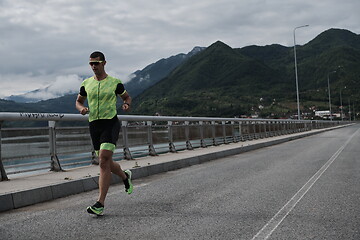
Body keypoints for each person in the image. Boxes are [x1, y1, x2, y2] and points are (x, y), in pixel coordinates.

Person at [75, 51, 133, 216]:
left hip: (110, 123)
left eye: (97, 63)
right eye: (91, 64)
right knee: (106, 162)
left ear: (104, 63)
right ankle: (125, 176)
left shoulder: (115, 83)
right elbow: (78, 101)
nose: (94, 66)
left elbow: (127, 97)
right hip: (94, 125)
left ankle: (100, 203)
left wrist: (126, 105)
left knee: (103, 161)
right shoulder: (86, 83)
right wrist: (82, 109)